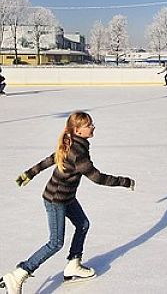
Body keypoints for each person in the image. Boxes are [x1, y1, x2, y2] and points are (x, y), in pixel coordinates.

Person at [0, 112, 135, 293]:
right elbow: (98, 178)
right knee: (55, 242)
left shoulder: (72, 143)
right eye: (88, 125)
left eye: (91, 124)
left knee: (83, 224)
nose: (93, 127)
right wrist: (124, 181)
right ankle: (18, 274)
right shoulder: (77, 153)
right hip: (56, 199)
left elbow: (51, 159)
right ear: (78, 130)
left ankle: (73, 265)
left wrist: (30, 173)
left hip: (67, 197)